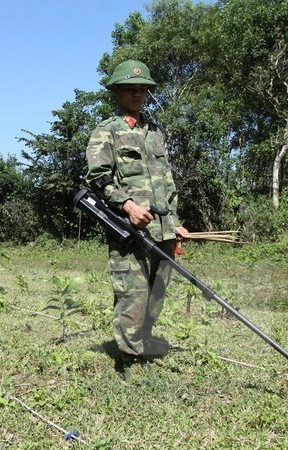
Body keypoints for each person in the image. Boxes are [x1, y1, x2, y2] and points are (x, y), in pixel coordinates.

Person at [85, 59, 190, 380]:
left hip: (164, 231)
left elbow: (167, 183)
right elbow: (97, 179)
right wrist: (128, 205)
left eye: (143, 88)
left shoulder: (155, 133)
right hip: (129, 231)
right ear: (117, 91)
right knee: (133, 295)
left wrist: (175, 222)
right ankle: (129, 361)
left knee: (156, 296)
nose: (138, 93)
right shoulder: (107, 132)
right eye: (131, 88)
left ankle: (141, 343)